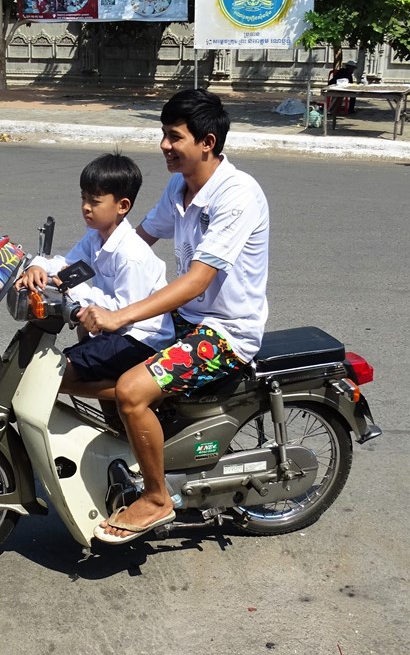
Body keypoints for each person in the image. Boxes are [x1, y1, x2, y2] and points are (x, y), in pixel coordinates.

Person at [78, 88, 270, 544]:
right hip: (185, 320)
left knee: (130, 388)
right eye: (163, 135)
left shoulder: (237, 195)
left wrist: (119, 314)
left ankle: (157, 498)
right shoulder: (179, 186)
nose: (164, 146)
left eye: (173, 137)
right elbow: (136, 241)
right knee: (92, 365)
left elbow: (196, 281)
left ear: (207, 142)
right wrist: (65, 277)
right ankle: (140, 445)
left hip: (226, 333)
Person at [15, 153, 174, 402]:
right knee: (58, 366)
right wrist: (38, 267)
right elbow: (65, 265)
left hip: (140, 339)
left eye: (95, 201)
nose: (86, 207)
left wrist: (72, 290)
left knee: (58, 372)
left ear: (122, 206)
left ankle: (136, 397)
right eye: (84, 198)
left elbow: (122, 312)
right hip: (114, 333)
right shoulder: (96, 237)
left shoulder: (132, 254)